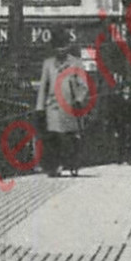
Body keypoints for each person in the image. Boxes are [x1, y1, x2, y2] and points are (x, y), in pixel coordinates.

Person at [35, 32, 90, 176]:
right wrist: (40, 107)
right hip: (52, 107)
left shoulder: (76, 63)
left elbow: (84, 85)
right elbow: (43, 87)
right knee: (53, 137)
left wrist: (79, 99)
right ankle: (54, 166)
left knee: (70, 137)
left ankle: (72, 163)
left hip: (70, 107)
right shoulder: (48, 64)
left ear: (68, 47)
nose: (61, 50)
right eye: (58, 48)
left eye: (63, 47)